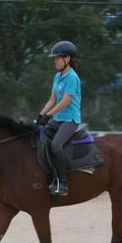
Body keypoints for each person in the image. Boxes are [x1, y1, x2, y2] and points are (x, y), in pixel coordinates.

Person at [36, 40, 81, 196]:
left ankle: (63, 183)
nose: (55, 61)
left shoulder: (72, 77)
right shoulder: (57, 77)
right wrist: (40, 115)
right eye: (54, 58)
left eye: (57, 58)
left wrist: (49, 115)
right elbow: (52, 99)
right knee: (39, 137)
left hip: (70, 120)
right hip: (58, 118)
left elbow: (66, 101)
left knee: (56, 145)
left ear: (67, 59)